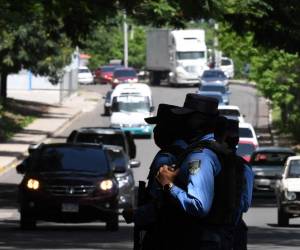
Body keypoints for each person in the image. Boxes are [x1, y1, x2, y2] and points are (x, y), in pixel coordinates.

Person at [156, 93, 241, 250]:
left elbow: (199, 206)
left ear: (200, 122)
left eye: (188, 118)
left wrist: (168, 185)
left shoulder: (201, 156)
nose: (183, 122)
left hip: (200, 240)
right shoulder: (207, 149)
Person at [122, 103, 187, 250]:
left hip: (164, 233)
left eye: (159, 126)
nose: (156, 131)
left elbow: (159, 205)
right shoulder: (188, 151)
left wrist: (135, 214)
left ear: (169, 128)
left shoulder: (166, 158)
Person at [225, 119, 254, 250]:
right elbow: (245, 204)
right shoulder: (244, 167)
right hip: (235, 226)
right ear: (237, 141)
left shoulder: (209, 160)